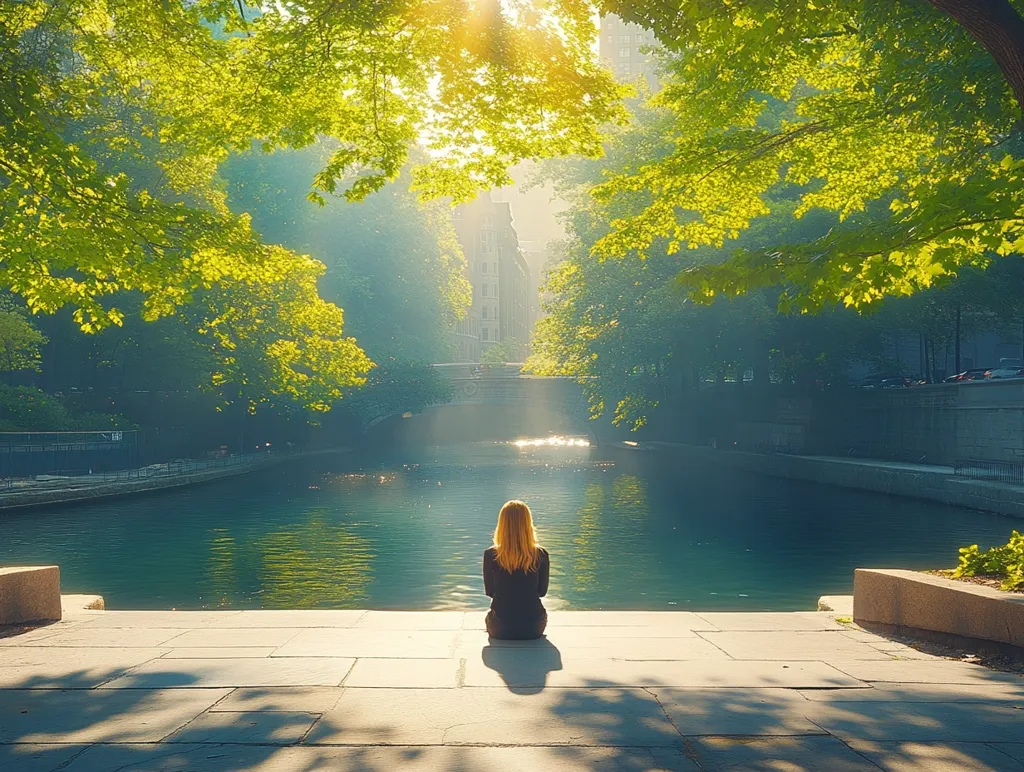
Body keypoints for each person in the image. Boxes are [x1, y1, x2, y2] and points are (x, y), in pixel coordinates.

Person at [483, 499, 550, 640]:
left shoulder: (490, 555)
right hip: (534, 628)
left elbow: (490, 592)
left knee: (492, 614)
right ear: (528, 524)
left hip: (500, 628)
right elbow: (542, 592)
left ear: (502, 524)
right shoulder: (541, 555)